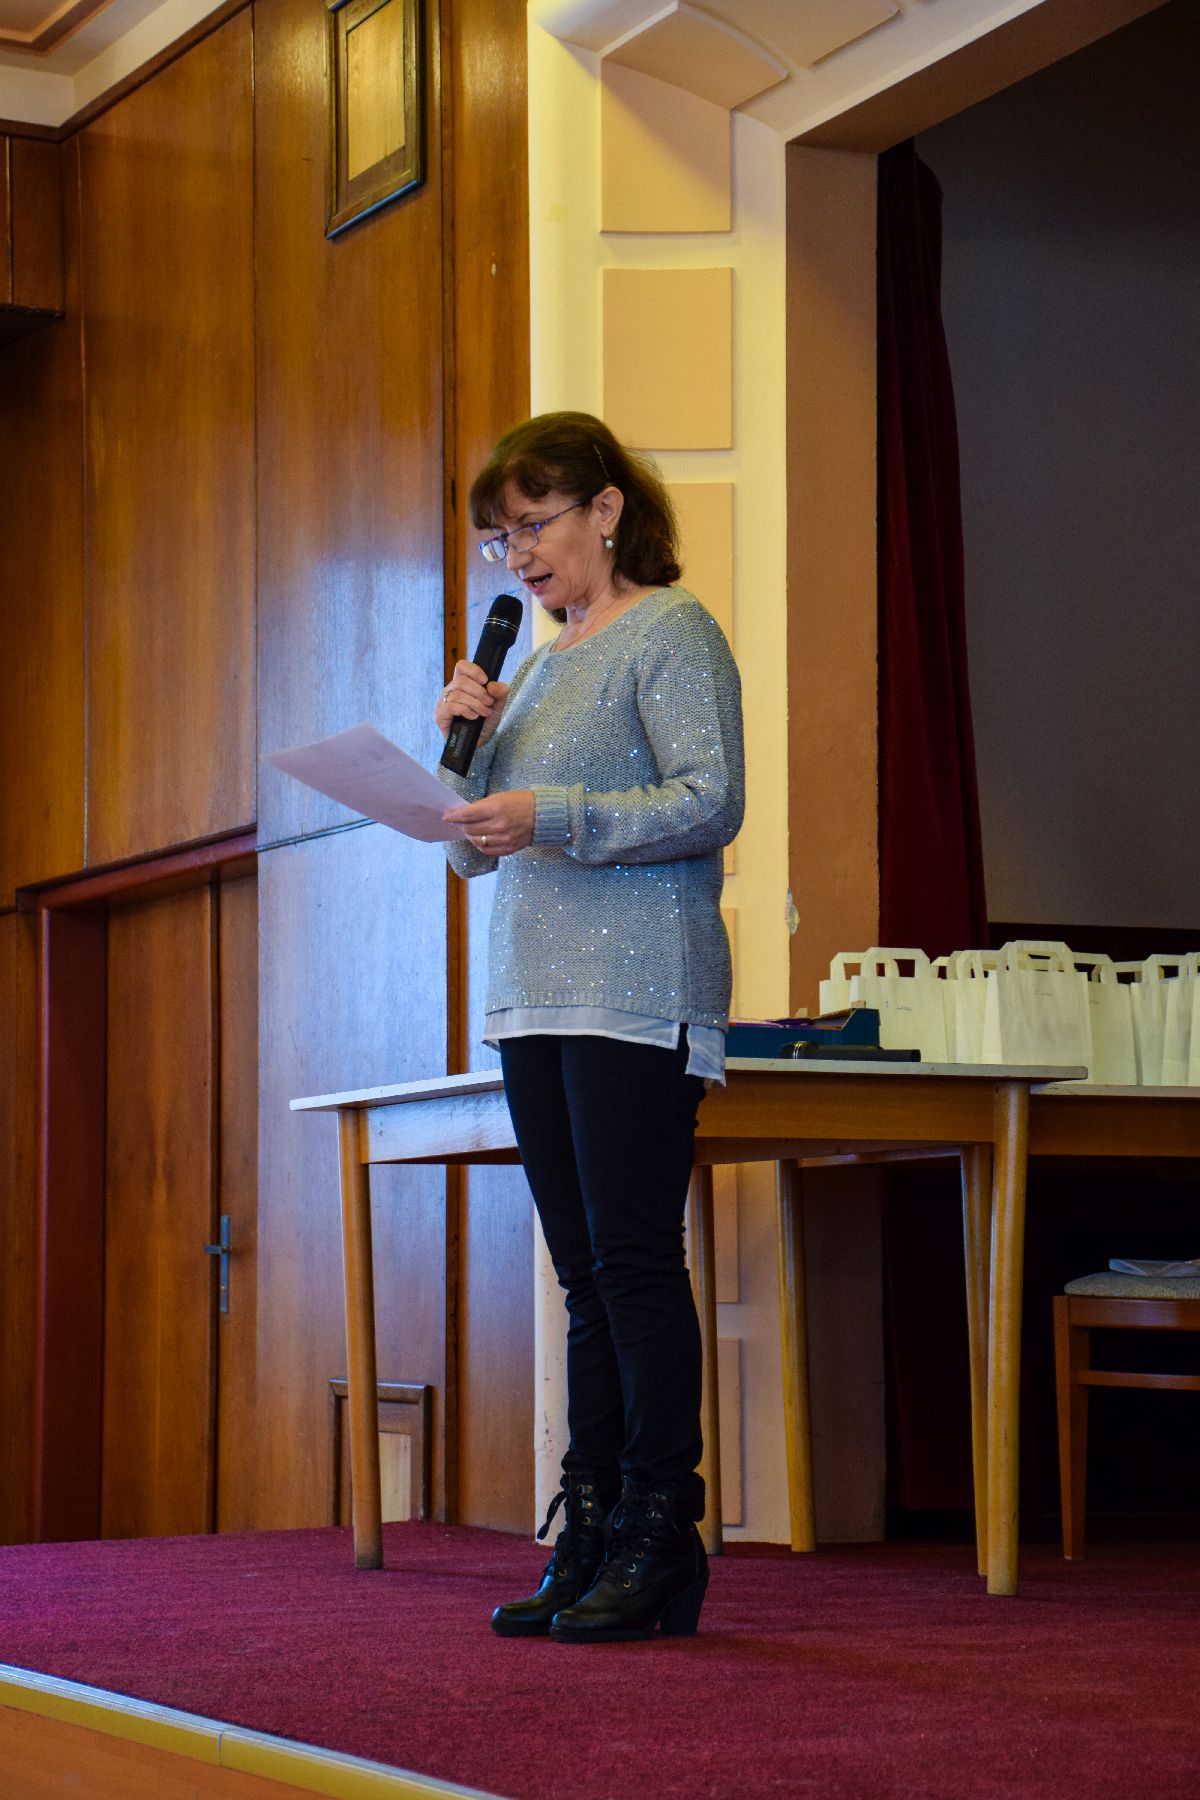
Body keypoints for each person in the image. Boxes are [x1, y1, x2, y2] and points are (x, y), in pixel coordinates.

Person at [435, 411, 744, 1644]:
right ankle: (596, 1526)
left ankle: (664, 1535)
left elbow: (710, 800)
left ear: (607, 510)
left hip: (637, 989)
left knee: (633, 1264)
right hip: (534, 996)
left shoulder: (670, 630)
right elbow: (472, 854)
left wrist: (548, 809)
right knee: (583, 1279)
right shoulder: (535, 670)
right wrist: (462, 756)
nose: (516, 555)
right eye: (499, 538)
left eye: (532, 524)